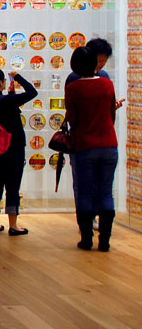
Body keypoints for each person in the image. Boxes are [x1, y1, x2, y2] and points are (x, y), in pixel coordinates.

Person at [65, 47, 118, 251]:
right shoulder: (107, 84)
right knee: (106, 192)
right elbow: (111, 115)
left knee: (85, 193)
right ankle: (105, 241)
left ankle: (86, 239)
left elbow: (73, 118)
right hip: (109, 143)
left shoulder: (73, 88)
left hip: (84, 145)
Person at [0, 69, 37, 236]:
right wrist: (17, 77)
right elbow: (32, 92)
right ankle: (13, 225)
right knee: (13, 186)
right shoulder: (8, 101)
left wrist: (11, 95)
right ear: (1, 83)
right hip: (14, 149)